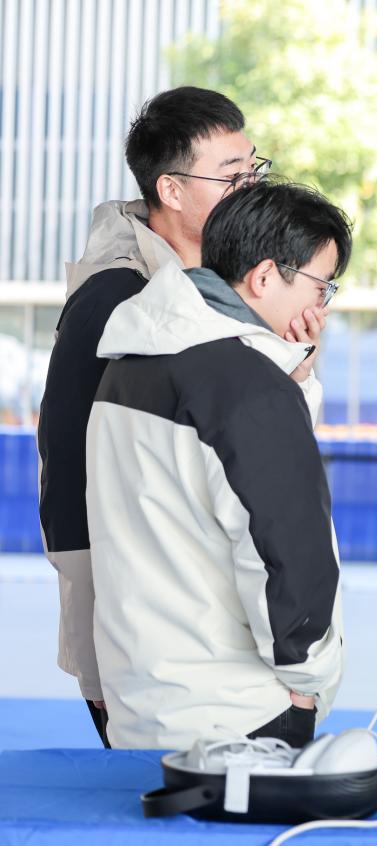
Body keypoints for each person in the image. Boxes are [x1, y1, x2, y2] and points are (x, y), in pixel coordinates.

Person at [36, 87, 326, 747]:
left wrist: (294, 370)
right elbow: (69, 459)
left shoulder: (220, 284)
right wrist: (96, 625)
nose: (250, 188)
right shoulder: (116, 297)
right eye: (231, 176)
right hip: (147, 613)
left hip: (219, 599)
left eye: (254, 170)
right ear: (169, 189)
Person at [84, 179, 351, 750]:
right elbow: (285, 552)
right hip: (239, 717)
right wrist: (308, 679)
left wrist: (292, 380)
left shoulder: (131, 360)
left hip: (142, 703)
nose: (322, 308)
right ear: (264, 277)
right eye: (322, 285)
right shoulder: (250, 390)